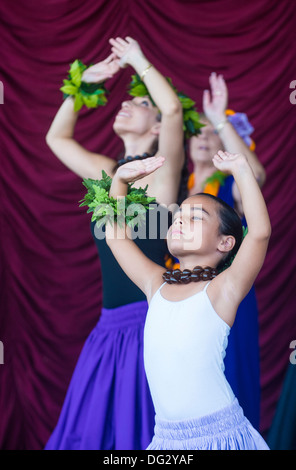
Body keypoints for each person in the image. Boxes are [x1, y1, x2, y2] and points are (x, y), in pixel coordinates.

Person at [45, 36, 186, 450]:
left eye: (142, 105)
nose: (125, 104)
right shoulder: (107, 174)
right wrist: (83, 85)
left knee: (142, 435)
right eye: (126, 101)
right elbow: (57, 139)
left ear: (158, 127)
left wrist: (138, 58)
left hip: (150, 323)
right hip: (108, 329)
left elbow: (175, 108)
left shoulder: (161, 174)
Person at [105, 150, 271, 450]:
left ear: (225, 242)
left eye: (195, 217)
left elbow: (259, 233)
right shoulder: (155, 283)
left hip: (218, 436)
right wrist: (119, 182)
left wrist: (241, 170)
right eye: (178, 215)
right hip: (166, 440)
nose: (179, 220)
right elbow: (116, 235)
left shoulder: (224, 289)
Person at [186, 72, 266, 430]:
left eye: (212, 133)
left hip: (226, 294)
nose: (204, 138)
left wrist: (221, 117)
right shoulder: (176, 186)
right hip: (182, 294)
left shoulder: (232, 183)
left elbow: (256, 174)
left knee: (229, 376)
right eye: (198, 132)